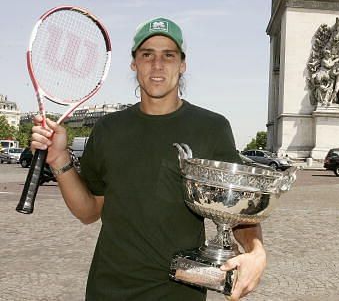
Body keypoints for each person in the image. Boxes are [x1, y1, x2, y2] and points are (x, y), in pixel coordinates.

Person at [31, 17, 266, 300]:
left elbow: (237, 212)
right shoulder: (108, 129)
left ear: (183, 64)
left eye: (168, 55)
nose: (157, 65)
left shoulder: (212, 128)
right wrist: (59, 160)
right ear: (134, 64)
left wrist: (256, 252)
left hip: (179, 293)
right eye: (147, 55)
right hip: (108, 290)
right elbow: (89, 211)